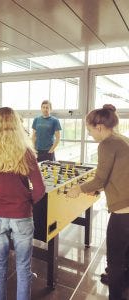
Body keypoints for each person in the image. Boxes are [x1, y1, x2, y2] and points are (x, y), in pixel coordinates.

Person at [0, 107, 45, 300]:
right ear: (17, 125)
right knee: (23, 268)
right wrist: (25, 199)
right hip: (22, 216)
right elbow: (39, 190)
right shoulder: (27, 152)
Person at [67, 104, 129, 300]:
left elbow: (100, 179)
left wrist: (78, 189)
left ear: (99, 127)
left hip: (123, 212)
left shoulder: (107, 144)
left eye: (90, 130)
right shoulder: (122, 139)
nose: (91, 135)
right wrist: (99, 187)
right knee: (126, 255)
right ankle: (124, 281)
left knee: (115, 260)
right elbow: (117, 173)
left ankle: (116, 295)